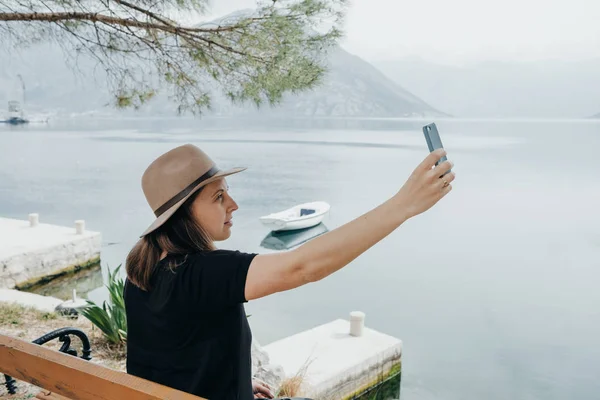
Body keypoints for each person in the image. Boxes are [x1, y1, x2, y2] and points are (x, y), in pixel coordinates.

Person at [123, 143, 455, 399]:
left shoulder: (143, 270)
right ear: (184, 214)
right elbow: (303, 267)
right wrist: (404, 205)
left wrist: (238, 385)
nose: (233, 205)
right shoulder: (202, 273)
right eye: (219, 197)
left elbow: (174, 358)